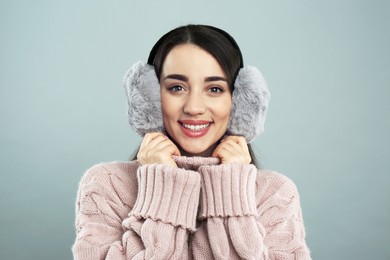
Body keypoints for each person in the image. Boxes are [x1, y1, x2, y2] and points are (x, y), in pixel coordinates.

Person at [72, 24, 311, 259]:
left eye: (215, 89)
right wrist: (164, 183)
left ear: (240, 103)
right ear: (149, 99)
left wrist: (230, 188)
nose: (194, 107)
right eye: (177, 87)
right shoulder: (107, 186)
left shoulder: (275, 195)